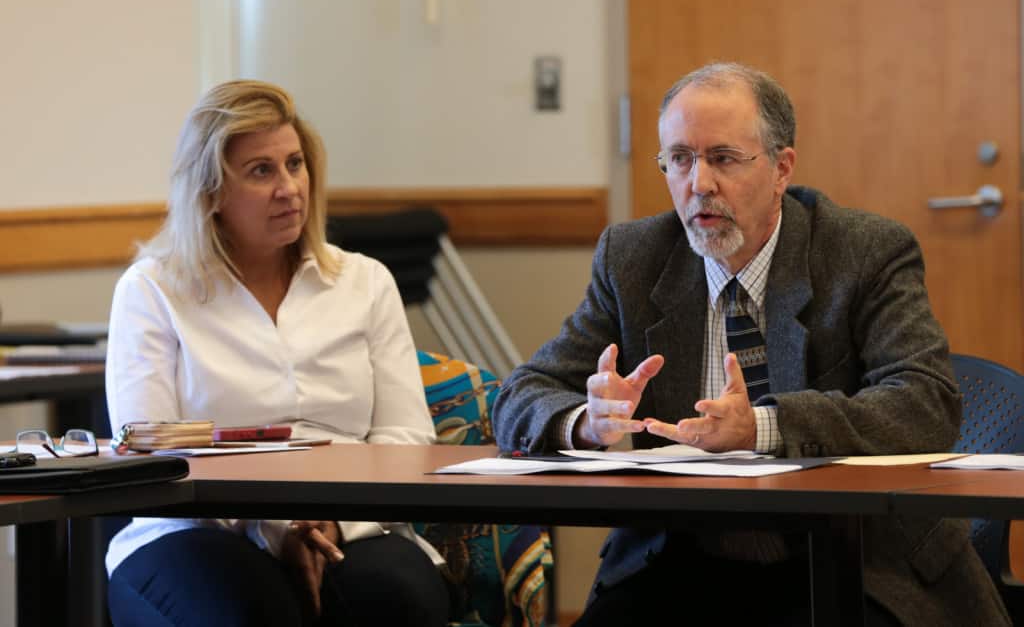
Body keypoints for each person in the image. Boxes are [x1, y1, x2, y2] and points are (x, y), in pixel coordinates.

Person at [493, 62, 1009, 626]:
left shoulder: (864, 252)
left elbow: (925, 403)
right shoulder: (634, 257)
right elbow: (521, 395)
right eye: (680, 159)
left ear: (781, 168)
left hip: (852, 559)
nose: (699, 184)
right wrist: (588, 423)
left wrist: (763, 427)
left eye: (723, 158)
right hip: (682, 561)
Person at [104, 80, 450, 627]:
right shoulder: (153, 290)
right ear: (211, 193)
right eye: (261, 171)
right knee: (251, 611)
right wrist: (275, 529)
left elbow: (404, 438)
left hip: (351, 522)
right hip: (196, 528)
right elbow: (152, 457)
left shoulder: (365, 282)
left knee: (399, 601)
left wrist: (331, 524)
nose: (289, 188)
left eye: (295, 164)